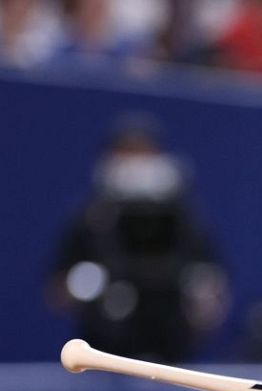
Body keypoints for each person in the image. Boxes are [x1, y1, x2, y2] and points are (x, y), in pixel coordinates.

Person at [47, 114, 229, 363]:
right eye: (126, 152)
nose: (135, 163)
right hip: (105, 350)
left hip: (172, 351)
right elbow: (58, 289)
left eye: (143, 153)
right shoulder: (92, 220)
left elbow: (215, 285)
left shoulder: (185, 221)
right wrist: (83, 283)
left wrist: (204, 295)